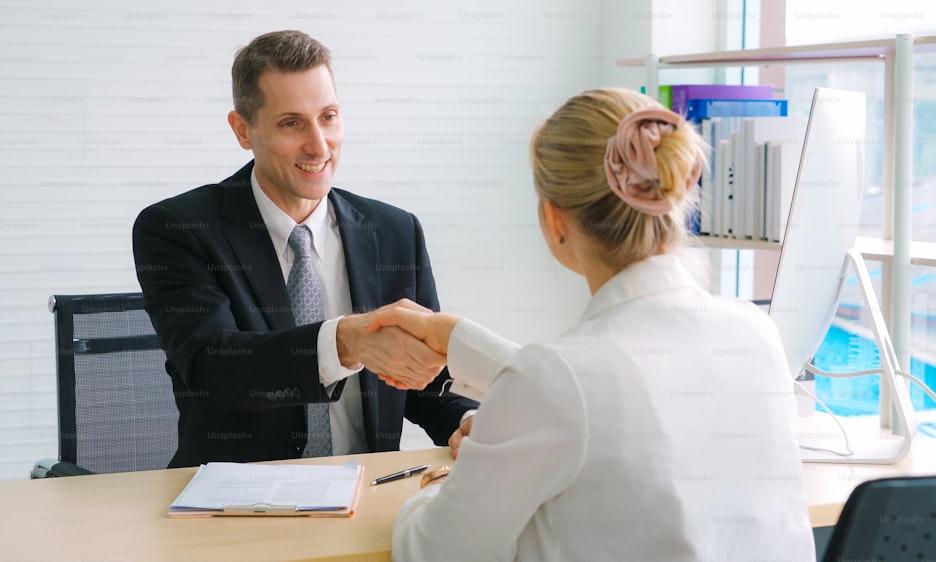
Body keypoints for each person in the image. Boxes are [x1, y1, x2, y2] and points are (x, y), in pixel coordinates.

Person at [379, 89, 815, 561]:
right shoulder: (755, 333)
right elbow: (610, 391)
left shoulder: (558, 379)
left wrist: (447, 486)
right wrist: (459, 338)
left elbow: (433, 552)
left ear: (554, 220)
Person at [131, 30, 476, 468]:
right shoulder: (178, 228)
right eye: (291, 123)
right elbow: (213, 370)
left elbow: (422, 381)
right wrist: (345, 341)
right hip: (236, 504)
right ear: (242, 130)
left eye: (328, 116)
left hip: (365, 492)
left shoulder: (393, 231)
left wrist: (466, 419)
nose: (319, 145)